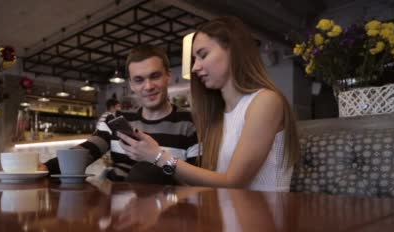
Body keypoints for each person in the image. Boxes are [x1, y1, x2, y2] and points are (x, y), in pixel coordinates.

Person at [118, 17, 300, 191]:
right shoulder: (218, 114)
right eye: (194, 59)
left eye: (203, 55)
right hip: (223, 215)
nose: (195, 67)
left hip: (264, 218)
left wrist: (158, 156)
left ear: (232, 50)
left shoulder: (265, 101)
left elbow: (233, 182)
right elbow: (207, 183)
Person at [43, 44, 199, 183]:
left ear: (168, 76)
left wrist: (157, 157)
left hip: (167, 210)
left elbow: (196, 180)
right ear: (131, 84)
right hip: (117, 211)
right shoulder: (116, 120)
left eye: (155, 76)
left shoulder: (191, 123)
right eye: (139, 80)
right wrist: (43, 168)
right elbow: (87, 150)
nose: (148, 86)